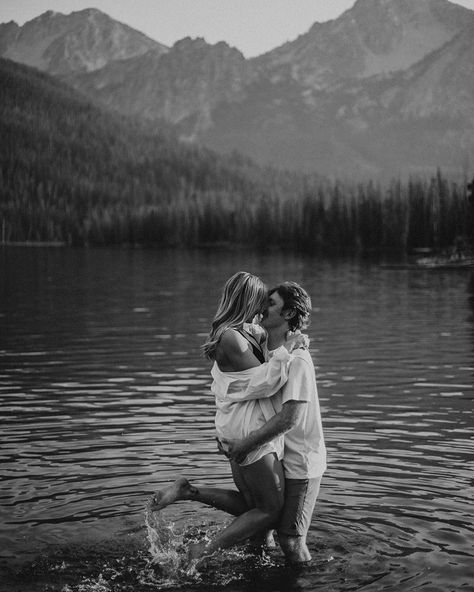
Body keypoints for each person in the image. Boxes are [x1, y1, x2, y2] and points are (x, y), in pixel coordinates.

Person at [151, 271, 302, 562]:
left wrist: (272, 341)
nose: (262, 309)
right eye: (260, 301)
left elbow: (254, 376)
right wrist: (288, 350)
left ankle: (188, 490)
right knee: (271, 510)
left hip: (238, 426)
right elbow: (263, 382)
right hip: (246, 430)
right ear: (246, 300)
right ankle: (204, 549)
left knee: (250, 503)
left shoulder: (243, 332)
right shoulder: (231, 338)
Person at [222, 282, 327, 563]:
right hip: (274, 452)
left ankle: (301, 582)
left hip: (300, 461)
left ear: (289, 312)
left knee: (291, 540)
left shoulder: (298, 360)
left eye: (270, 304)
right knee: (260, 528)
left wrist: (245, 444)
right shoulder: (264, 348)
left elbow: (289, 418)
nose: (261, 308)